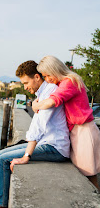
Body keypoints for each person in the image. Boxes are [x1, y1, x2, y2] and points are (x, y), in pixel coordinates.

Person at [0, 60, 70, 208]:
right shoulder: (42, 94)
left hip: (55, 147)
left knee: (3, 160)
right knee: (0, 154)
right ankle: (0, 199)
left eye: (26, 82)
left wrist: (26, 156)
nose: (25, 87)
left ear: (36, 77)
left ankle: (0, 205)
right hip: (46, 143)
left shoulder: (51, 91)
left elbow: (39, 126)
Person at [32, 55, 100, 190]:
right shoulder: (63, 82)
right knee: (85, 176)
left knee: (89, 177)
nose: (47, 79)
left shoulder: (69, 82)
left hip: (83, 132)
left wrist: (36, 105)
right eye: (44, 76)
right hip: (77, 132)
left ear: (55, 70)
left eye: (47, 75)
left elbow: (53, 101)